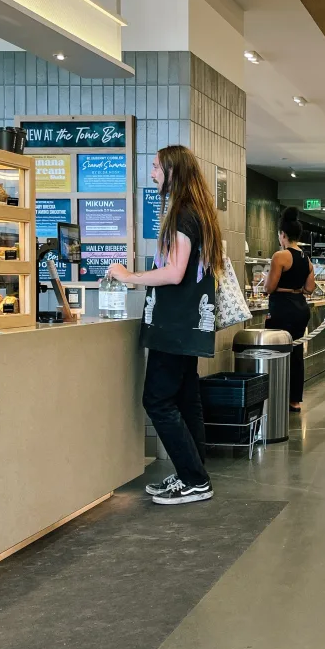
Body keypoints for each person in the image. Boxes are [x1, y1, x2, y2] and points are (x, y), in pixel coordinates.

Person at [106, 145, 223, 506]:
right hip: (188, 325)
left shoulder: (183, 214)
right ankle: (193, 474)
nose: (152, 173)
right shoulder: (197, 213)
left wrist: (129, 276)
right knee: (186, 400)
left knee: (156, 400)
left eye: (156, 167)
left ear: (173, 171)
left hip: (174, 325)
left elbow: (174, 272)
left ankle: (194, 479)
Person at [263, 207, 316, 412]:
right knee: (295, 352)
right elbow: (310, 288)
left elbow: (269, 287)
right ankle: (294, 400)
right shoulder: (306, 258)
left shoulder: (280, 256)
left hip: (282, 307)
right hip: (300, 307)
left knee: (276, 351)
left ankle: (276, 394)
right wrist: (297, 288)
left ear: (282, 235)